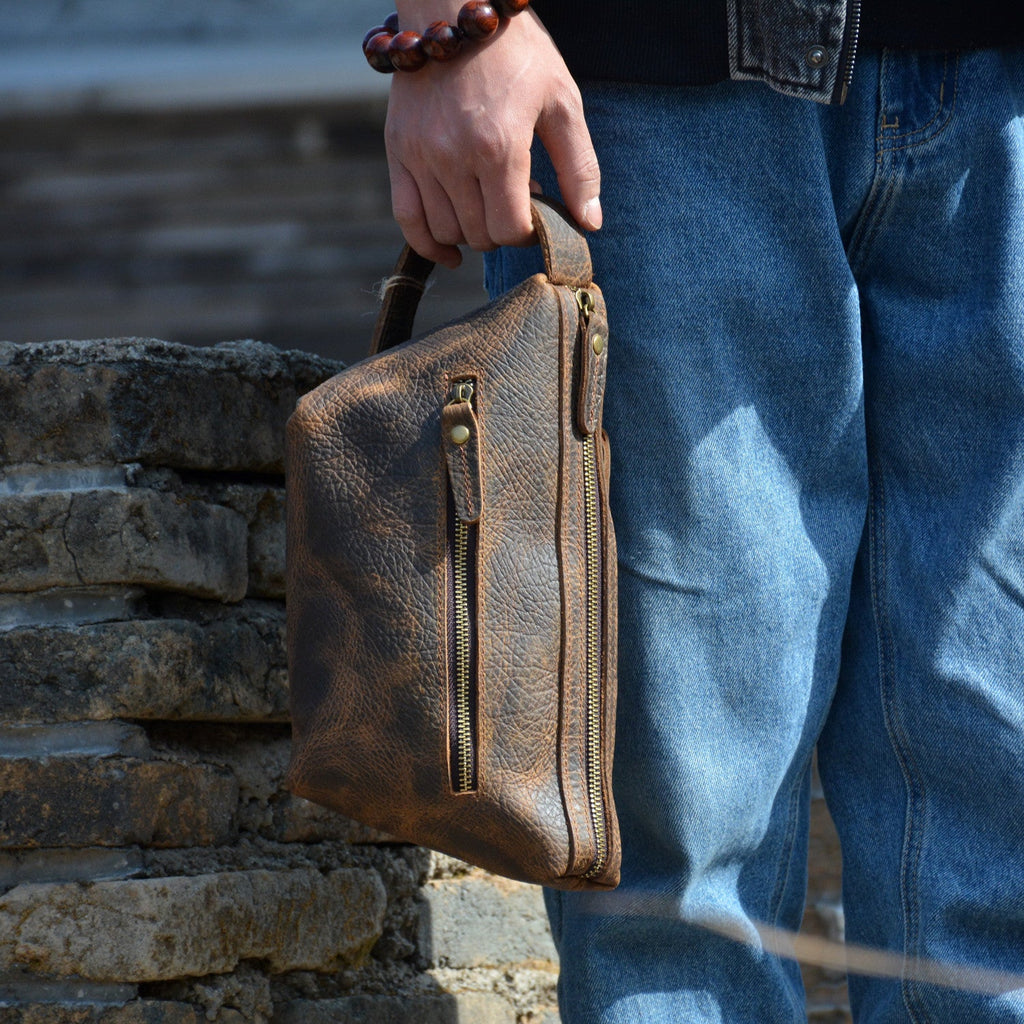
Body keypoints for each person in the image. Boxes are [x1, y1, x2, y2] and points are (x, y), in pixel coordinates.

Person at [377, 3, 1024, 1020]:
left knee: (1004, 856)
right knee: (675, 887)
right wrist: (453, 22)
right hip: (647, 86)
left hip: (1003, 97)